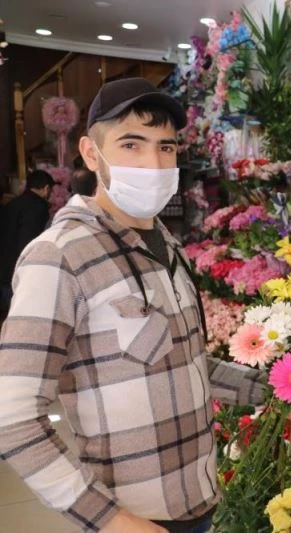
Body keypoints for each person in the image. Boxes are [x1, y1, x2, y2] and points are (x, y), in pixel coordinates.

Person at [0, 78, 266, 533]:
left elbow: (184, 361)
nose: (153, 163)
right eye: (131, 144)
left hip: (200, 502)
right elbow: (15, 415)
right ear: (90, 153)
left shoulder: (167, 244)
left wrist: (274, 388)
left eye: (166, 148)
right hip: (133, 518)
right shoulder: (60, 254)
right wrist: (111, 520)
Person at [0, 169, 54, 318]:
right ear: (46, 188)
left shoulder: (13, 203)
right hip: (18, 270)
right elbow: (29, 241)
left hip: (5, 267)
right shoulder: (38, 207)